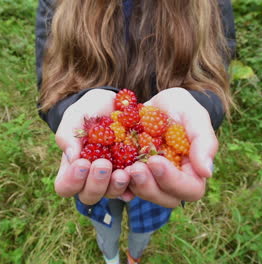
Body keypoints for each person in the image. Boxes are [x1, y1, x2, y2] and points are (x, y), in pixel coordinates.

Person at [35, 0, 236, 263]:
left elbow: (216, 72)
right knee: (104, 219)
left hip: (159, 165)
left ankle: (134, 255)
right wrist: (72, 109)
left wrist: (199, 106)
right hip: (99, 165)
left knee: (146, 223)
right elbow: (50, 84)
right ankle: (111, 256)